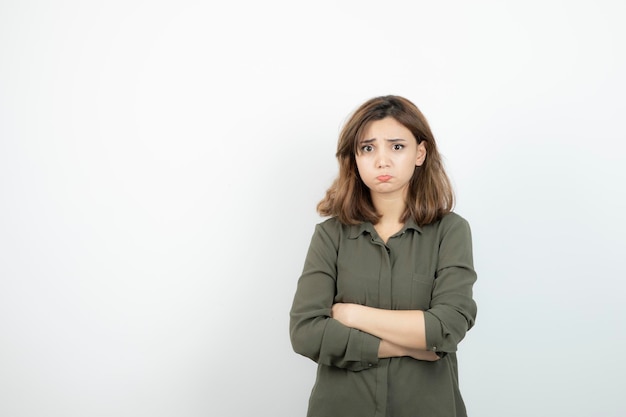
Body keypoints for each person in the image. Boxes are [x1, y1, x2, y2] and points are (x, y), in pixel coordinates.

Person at [289, 95, 478, 417]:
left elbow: (447, 327)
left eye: (397, 146)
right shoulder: (330, 235)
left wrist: (350, 315)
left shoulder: (450, 231)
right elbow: (306, 333)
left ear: (420, 153)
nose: (382, 161)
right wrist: (407, 346)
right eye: (368, 148)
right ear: (355, 158)